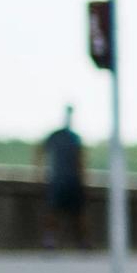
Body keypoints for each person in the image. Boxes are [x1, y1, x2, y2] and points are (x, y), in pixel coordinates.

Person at [39, 106, 87, 251]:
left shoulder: (72, 137)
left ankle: (82, 241)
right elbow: (81, 160)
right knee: (54, 211)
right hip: (61, 179)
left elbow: (81, 160)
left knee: (77, 213)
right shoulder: (59, 136)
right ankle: (50, 240)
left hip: (69, 179)